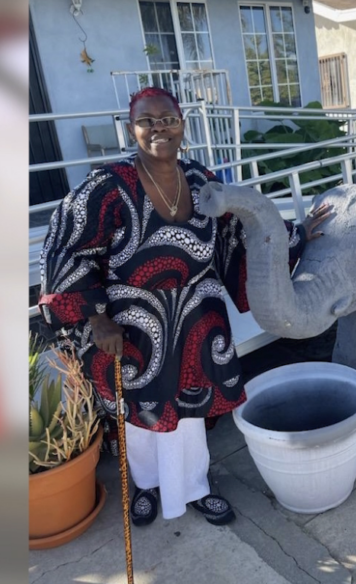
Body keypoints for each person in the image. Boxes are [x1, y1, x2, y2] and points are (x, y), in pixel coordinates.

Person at [39, 86, 329, 526]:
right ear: (131, 129)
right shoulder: (106, 186)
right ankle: (147, 484)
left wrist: (295, 234)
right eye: (147, 121)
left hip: (197, 316)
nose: (159, 128)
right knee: (140, 413)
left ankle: (194, 487)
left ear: (182, 125)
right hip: (130, 323)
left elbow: (236, 229)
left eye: (168, 119)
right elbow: (66, 249)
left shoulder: (199, 180)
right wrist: (98, 319)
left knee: (190, 412)